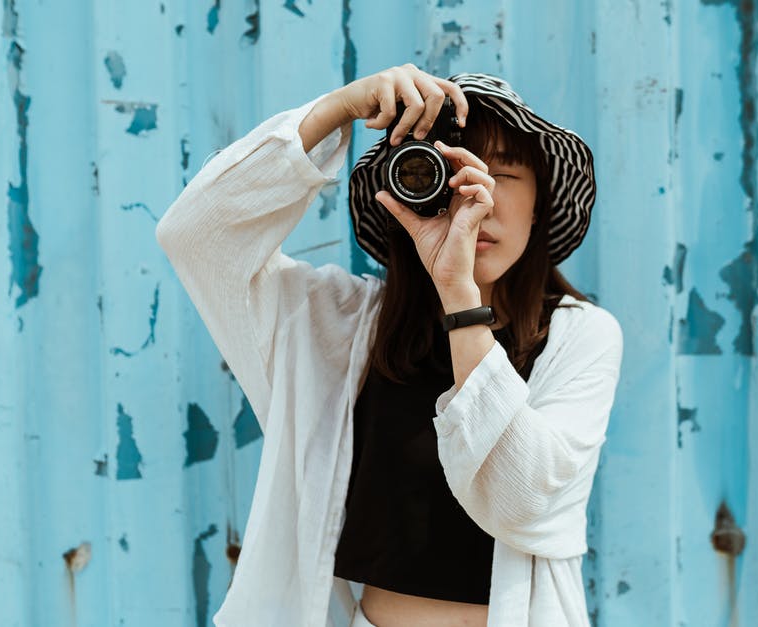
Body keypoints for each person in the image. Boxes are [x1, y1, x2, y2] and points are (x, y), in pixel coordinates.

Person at [156, 63, 623, 627]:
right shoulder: (344, 326)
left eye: (504, 173)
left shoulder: (579, 335)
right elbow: (195, 236)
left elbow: (518, 499)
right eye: (448, 174)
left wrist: (459, 294)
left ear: (541, 202)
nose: (479, 196)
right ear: (411, 194)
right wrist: (339, 107)